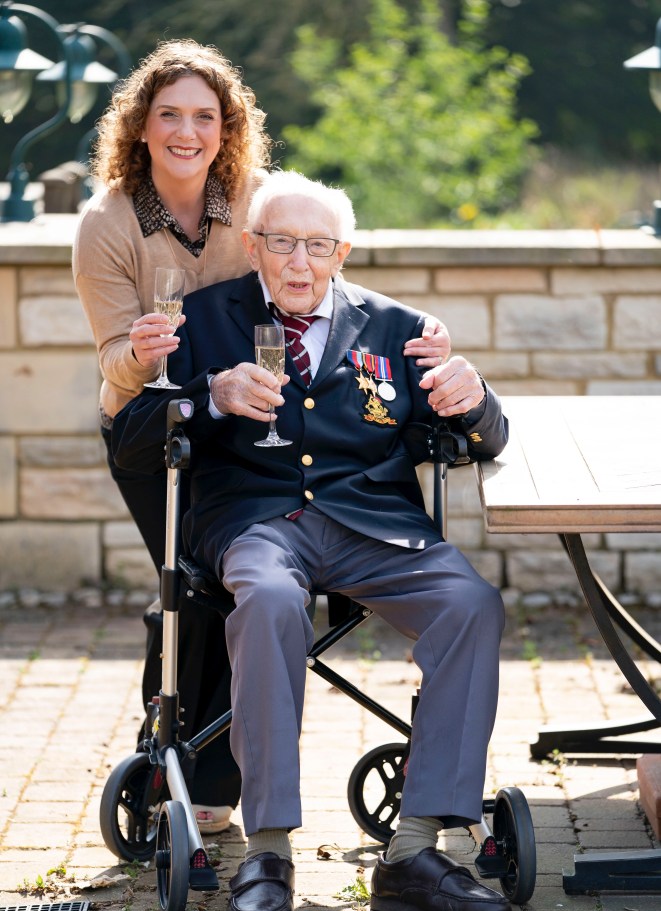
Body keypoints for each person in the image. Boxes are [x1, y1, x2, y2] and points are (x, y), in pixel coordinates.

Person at [112, 170, 511, 911]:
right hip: (254, 523)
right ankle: (266, 852)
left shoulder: (400, 329)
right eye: (283, 242)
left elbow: (475, 437)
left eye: (317, 245)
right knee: (266, 599)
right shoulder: (198, 318)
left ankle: (417, 849)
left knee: (471, 603)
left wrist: (476, 395)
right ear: (255, 246)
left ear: (342, 251)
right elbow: (135, 443)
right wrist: (207, 393)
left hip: (374, 525)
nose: (300, 262)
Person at [72, 40, 452, 833]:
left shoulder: (248, 198)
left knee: (236, 584)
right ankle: (181, 755)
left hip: (261, 417)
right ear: (140, 126)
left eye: (203, 117)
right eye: (169, 115)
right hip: (154, 418)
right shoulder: (106, 224)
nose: (186, 132)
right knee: (194, 587)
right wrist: (145, 356)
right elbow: (111, 360)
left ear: (226, 127)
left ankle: (211, 771)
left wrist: (409, 331)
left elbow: (315, 264)